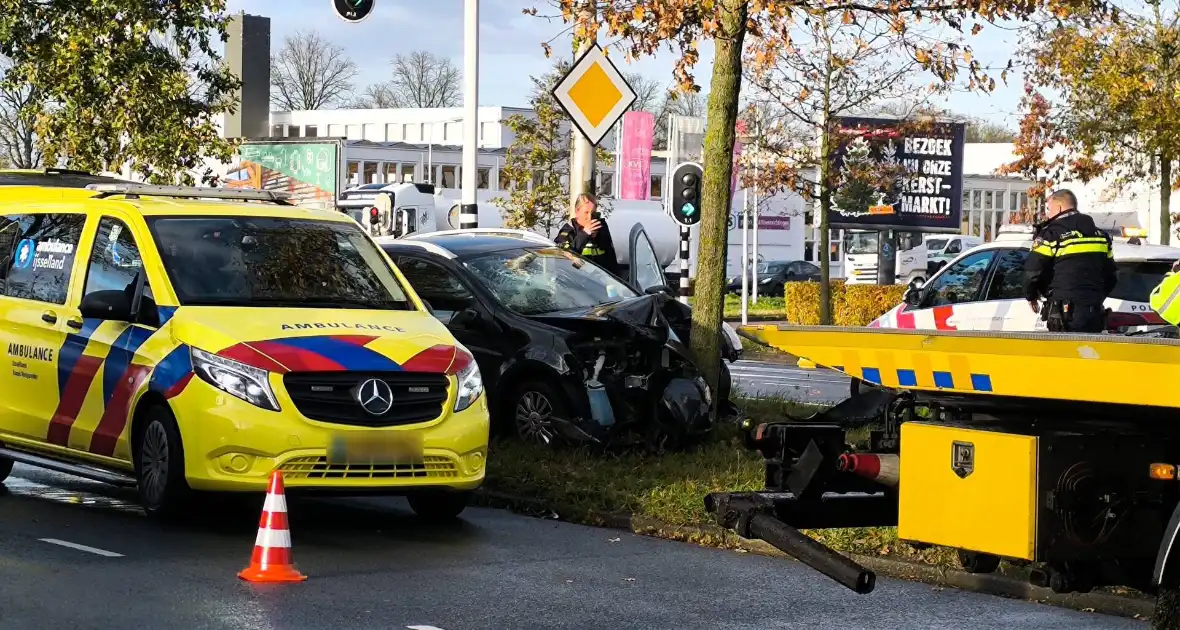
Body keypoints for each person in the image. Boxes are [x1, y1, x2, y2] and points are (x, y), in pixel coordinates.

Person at [1023, 189, 1118, 332]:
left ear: (1059, 208)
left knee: (1064, 354)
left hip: (1063, 316)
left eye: (1049, 209)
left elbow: (1032, 272)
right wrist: (1094, 297)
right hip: (1095, 314)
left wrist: (1031, 296)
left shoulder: (1052, 234)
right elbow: (1112, 276)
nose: (1048, 214)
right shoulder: (1100, 235)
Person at [555, 193, 620, 277]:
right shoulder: (568, 231)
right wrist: (585, 234)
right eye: (586, 212)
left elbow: (610, 257)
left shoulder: (600, 227)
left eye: (593, 213)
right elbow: (565, 257)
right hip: (578, 283)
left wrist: (598, 236)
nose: (590, 217)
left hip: (601, 282)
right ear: (577, 211)